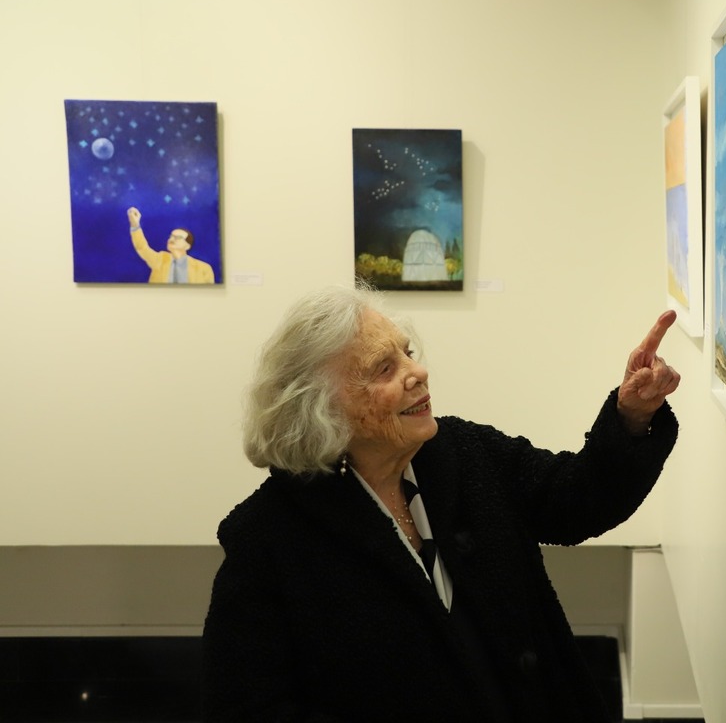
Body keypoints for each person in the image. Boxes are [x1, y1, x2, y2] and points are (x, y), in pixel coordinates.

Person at [202, 284, 680, 722]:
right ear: (321, 408)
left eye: (407, 353)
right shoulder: (267, 541)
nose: (418, 372)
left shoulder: (464, 453)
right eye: (384, 368)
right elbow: (247, 706)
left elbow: (577, 501)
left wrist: (632, 416)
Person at [126, 206, 215, 283]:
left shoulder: (203, 269)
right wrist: (135, 225)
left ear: (187, 246)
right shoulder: (160, 259)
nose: (171, 239)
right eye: (171, 236)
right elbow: (142, 248)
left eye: (177, 238)